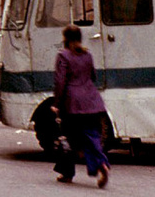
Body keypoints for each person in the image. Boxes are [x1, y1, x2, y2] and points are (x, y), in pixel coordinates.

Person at [52, 25, 110, 188]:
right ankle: (101, 164)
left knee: (69, 138)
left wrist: (56, 104)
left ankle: (67, 173)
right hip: (92, 101)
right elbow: (93, 76)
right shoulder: (87, 55)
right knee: (92, 136)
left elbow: (60, 81)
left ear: (65, 38)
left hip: (73, 103)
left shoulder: (63, 56)